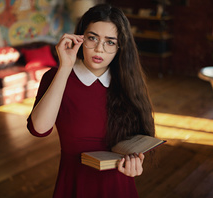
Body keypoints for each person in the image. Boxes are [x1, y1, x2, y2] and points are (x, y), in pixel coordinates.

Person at [27, 4, 155, 198]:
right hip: (74, 184)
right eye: (92, 38)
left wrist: (135, 164)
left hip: (118, 185)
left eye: (110, 42)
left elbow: (137, 144)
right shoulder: (56, 77)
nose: (99, 49)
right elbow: (39, 129)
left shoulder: (129, 83)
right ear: (80, 38)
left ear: (120, 47)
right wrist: (65, 68)